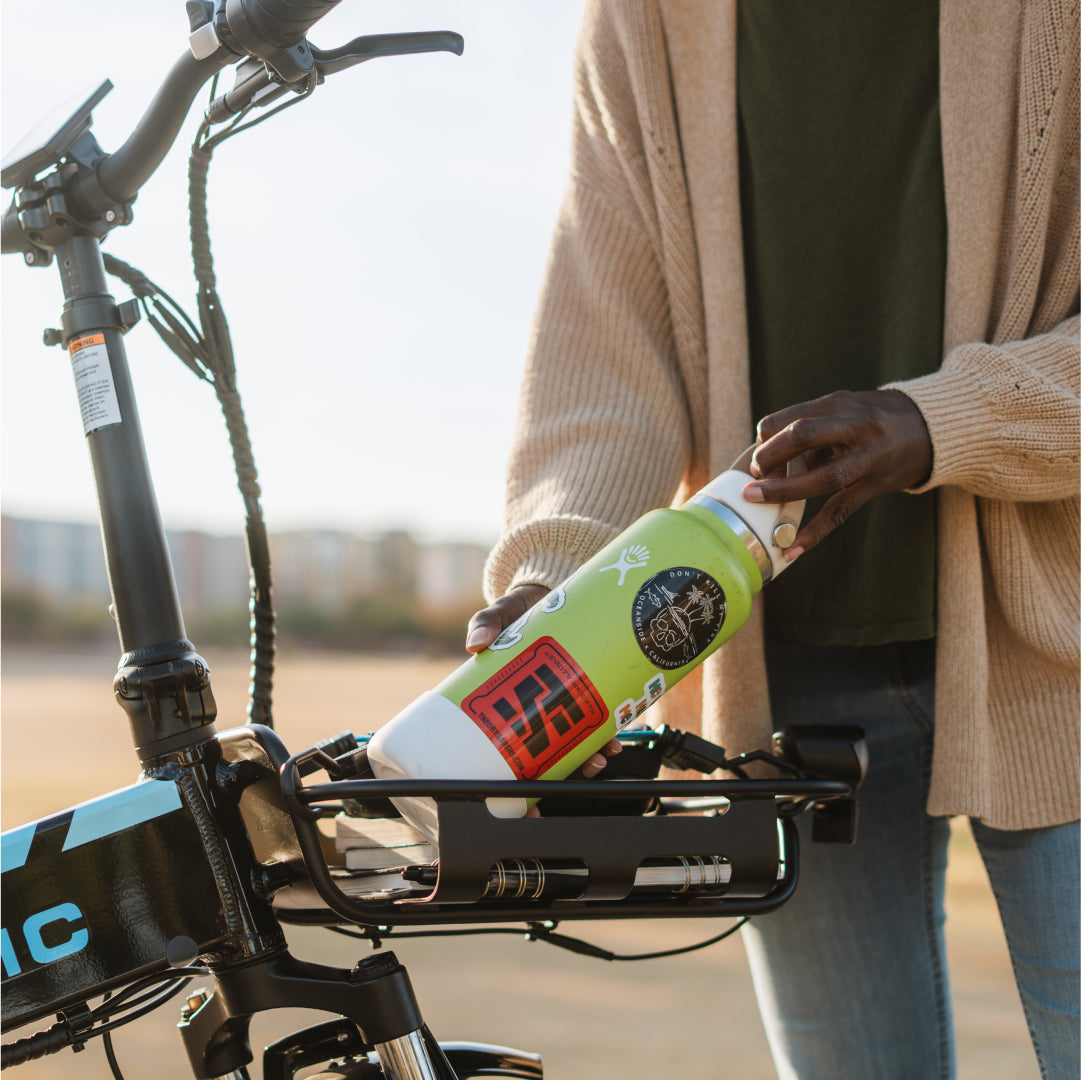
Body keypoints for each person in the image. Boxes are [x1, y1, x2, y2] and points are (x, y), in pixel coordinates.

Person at [463, 3, 1080, 1079]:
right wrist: (559, 589)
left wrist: (941, 419)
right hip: (783, 688)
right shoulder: (646, 20)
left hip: (1058, 645)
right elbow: (603, 361)